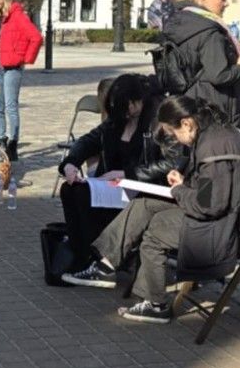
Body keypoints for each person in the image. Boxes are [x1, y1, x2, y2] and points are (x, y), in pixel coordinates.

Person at [92, 96, 240, 323]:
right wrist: (185, 184)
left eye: (174, 134)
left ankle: (156, 304)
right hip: (217, 212)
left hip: (222, 227)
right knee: (144, 205)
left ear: (186, 123)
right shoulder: (212, 135)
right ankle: (105, 263)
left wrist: (180, 190)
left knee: (156, 232)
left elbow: (208, 205)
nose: (175, 140)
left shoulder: (212, 146)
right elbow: (212, 189)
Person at [56, 74, 165, 286]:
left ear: (135, 103)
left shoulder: (156, 123)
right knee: (70, 189)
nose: (121, 113)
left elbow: (167, 164)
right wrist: (70, 163)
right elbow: (88, 141)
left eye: (125, 107)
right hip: (111, 187)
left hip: (141, 188)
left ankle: (98, 259)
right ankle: (82, 254)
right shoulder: (117, 121)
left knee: (84, 196)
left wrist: (127, 174)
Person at [158, 0, 240, 131]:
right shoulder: (210, 32)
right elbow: (218, 75)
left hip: (189, 103)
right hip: (215, 110)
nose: (226, 3)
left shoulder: (183, 22)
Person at [0, 0, 43, 160]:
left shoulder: (18, 16)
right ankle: (1, 138)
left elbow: (36, 37)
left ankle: (13, 143)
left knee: (11, 106)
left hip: (12, 67)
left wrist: (24, 58)